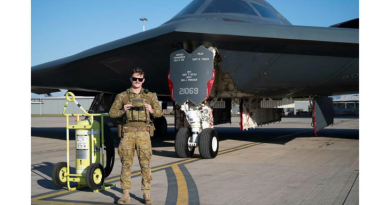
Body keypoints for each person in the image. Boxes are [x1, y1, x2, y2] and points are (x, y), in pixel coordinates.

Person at [109, 68, 163, 204]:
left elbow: (159, 113)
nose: (137, 81)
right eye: (134, 79)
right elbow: (112, 113)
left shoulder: (150, 96)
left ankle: (146, 193)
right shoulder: (123, 96)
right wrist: (123, 110)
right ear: (131, 79)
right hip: (128, 133)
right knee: (126, 164)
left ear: (143, 80)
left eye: (140, 79)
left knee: (145, 163)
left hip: (144, 133)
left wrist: (151, 110)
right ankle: (125, 194)